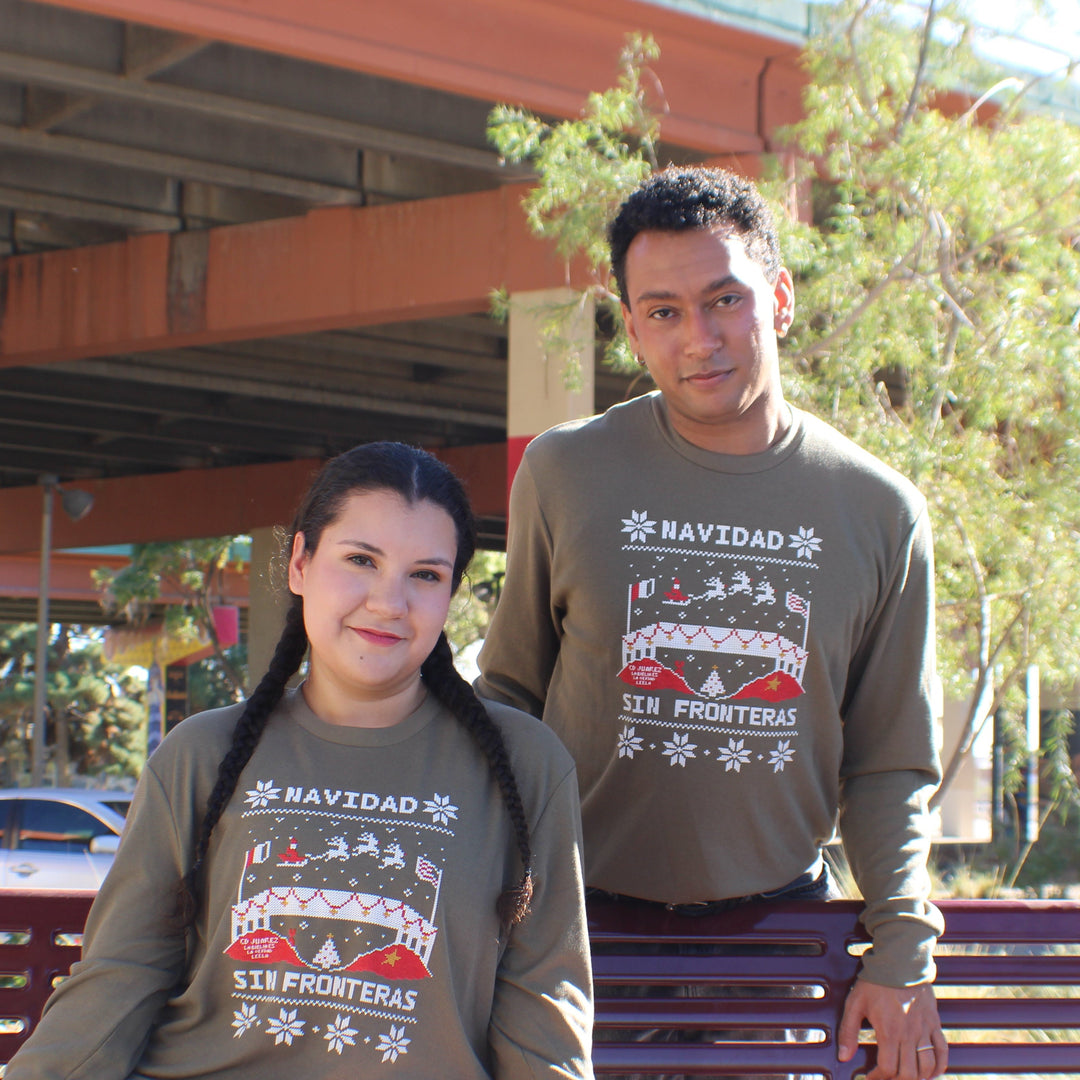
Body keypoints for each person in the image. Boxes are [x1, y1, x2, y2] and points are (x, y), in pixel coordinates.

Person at [476, 166, 947, 1080]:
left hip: (775, 941)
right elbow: (508, 697)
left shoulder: (879, 510)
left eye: (724, 299)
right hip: (582, 938)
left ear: (778, 297)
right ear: (632, 327)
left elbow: (889, 761)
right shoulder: (565, 472)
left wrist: (902, 951)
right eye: (663, 311)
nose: (700, 338)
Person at [9, 442, 593, 1080]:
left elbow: (543, 1006)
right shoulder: (201, 754)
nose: (388, 602)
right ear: (299, 564)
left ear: (450, 593)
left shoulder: (524, 765)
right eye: (360, 560)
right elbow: (122, 974)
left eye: (425, 574)